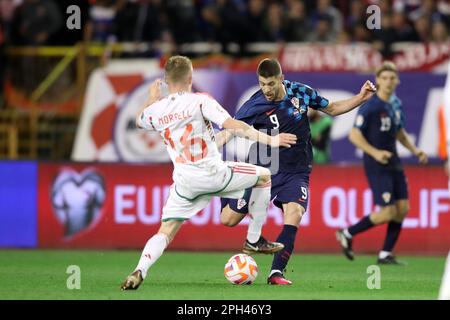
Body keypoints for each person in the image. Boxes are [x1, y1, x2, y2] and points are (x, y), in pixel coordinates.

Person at [121, 56, 297, 290]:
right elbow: (233, 125)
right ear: (191, 78)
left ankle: (139, 270)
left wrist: (152, 98)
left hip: (185, 183)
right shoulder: (200, 101)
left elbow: (139, 120)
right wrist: (271, 140)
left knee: (166, 231)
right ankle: (254, 240)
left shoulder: (156, 111)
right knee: (264, 175)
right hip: (215, 174)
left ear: (165, 80)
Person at [217, 58, 377, 285]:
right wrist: (210, 150)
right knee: (229, 220)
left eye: (271, 83)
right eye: (262, 84)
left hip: (296, 170)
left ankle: (276, 273)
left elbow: (331, 108)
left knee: (295, 214)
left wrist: (361, 97)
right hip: (263, 167)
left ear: (281, 79)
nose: (266, 89)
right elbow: (231, 129)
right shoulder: (255, 104)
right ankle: (227, 183)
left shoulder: (301, 93)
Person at [336, 61, 428, 265]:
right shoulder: (371, 105)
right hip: (377, 163)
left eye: (392, 78)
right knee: (388, 212)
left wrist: (415, 150)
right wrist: (375, 153)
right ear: (377, 80)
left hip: (394, 161)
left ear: (397, 81)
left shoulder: (395, 104)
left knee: (403, 208)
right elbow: (354, 135)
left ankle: (385, 253)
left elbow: (399, 132)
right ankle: (347, 232)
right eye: (384, 78)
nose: (388, 82)